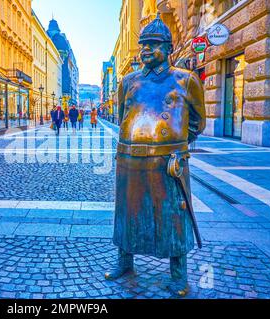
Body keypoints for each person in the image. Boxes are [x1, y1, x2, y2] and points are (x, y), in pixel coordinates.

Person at [105, 14, 206, 297]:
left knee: (174, 215)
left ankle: (178, 274)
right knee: (127, 213)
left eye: (153, 44)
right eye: (143, 44)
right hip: (129, 159)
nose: (145, 49)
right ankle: (125, 262)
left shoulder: (186, 80)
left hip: (167, 162)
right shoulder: (128, 81)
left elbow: (198, 121)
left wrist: (178, 148)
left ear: (169, 47)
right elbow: (123, 115)